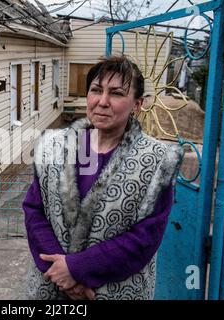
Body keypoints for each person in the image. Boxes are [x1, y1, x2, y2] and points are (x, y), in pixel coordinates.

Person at [23, 55, 184, 300]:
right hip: (52, 284)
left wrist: (76, 268)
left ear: (137, 104)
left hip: (113, 290)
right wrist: (62, 274)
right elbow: (35, 210)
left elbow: (145, 236)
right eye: (96, 90)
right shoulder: (55, 145)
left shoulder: (158, 159)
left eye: (117, 93)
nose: (103, 101)